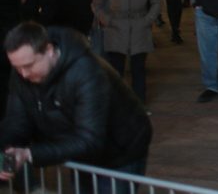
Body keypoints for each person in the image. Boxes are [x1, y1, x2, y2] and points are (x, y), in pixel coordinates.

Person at [0, 23, 153, 188]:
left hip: (121, 151)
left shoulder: (87, 72)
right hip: (79, 150)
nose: (23, 74)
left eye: (29, 66)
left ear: (49, 50)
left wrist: (30, 154)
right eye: (17, 68)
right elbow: (16, 123)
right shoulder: (22, 72)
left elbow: (90, 140)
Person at [91, 0, 162, 103]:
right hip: (116, 29)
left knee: (139, 69)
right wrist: (108, 21)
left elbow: (156, 2)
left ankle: (139, 103)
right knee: (116, 70)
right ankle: (118, 104)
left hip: (140, 28)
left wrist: (147, 20)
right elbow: (96, 4)